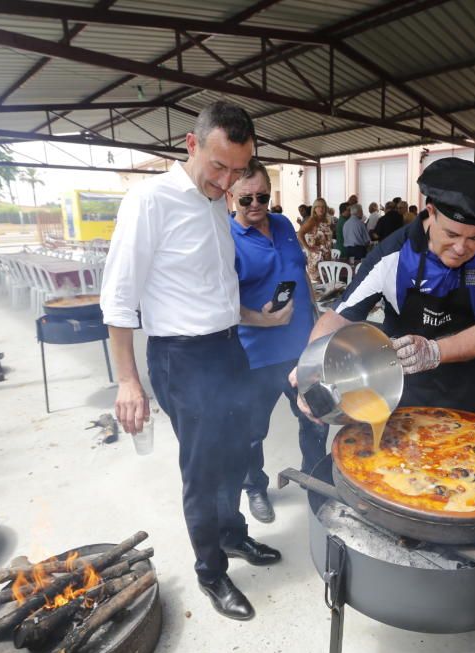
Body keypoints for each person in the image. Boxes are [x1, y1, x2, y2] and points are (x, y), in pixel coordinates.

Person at [101, 101, 287, 622]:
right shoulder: (149, 202)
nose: (227, 180)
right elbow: (118, 300)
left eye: (238, 169)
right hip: (182, 359)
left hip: (228, 347)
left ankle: (233, 536)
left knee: (238, 451)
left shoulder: (214, 204)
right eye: (219, 167)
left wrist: (259, 318)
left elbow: (215, 290)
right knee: (203, 470)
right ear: (191, 144)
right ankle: (211, 572)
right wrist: (127, 382)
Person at [295, 158, 475, 418]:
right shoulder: (393, 254)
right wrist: (312, 367)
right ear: (431, 211)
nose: (461, 248)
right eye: (451, 234)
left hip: (466, 390)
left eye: (474, 238)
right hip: (399, 389)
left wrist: (433, 351)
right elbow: (340, 315)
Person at [229, 159, 330, 524]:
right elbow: (219, 305)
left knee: (316, 417)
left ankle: (315, 480)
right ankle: (254, 487)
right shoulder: (225, 239)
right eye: (246, 199)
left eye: (262, 196)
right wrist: (264, 318)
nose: (255, 205)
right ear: (231, 196)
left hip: (302, 348)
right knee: (251, 431)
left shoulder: (285, 223)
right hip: (256, 356)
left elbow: (299, 270)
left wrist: (316, 312)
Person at [298, 198, 333, 283]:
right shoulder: (312, 220)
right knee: (319, 285)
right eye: (318, 207)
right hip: (316, 259)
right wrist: (308, 248)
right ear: (314, 209)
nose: (321, 209)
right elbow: (300, 234)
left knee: (327, 284)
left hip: (326, 257)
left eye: (323, 207)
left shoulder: (327, 220)